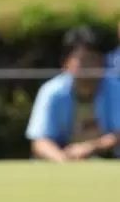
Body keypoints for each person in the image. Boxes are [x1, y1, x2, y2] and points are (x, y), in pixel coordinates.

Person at [26, 26, 120, 162]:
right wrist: (62, 159)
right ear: (65, 63)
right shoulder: (51, 92)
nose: (90, 65)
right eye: (83, 60)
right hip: (59, 161)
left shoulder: (115, 88)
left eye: (95, 59)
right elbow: (40, 140)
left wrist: (89, 147)